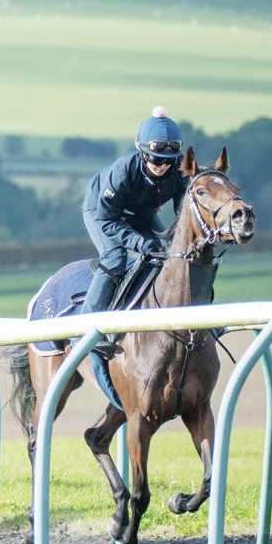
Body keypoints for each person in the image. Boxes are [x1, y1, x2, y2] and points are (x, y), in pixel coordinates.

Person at [78, 106, 188, 358]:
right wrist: (139, 243)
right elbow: (108, 220)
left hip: (142, 213)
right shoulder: (122, 172)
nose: (162, 166)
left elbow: (183, 214)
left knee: (174, 255)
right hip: (103, 212)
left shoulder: (179, 171)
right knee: (115, 257)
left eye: (169, 161)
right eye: (156, 159)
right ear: (142, 152)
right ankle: (86, 330)